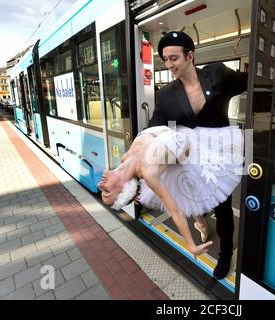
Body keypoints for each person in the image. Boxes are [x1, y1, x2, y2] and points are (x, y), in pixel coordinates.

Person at [149, 31, 248, 279]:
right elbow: (154, 130)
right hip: (189, 163)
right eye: (165, 60)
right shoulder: (165, 95)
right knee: (192, 204)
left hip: (220, 161)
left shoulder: (217, 74)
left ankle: (225, 256)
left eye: (174, 58)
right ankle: (201, 223)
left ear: (190, 56)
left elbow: (249, 81)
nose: (169, 65)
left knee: (224, 212)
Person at [98, 125, 243, 259]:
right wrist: (191, 246)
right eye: (106, 191)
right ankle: (203, 226)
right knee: (187, 198)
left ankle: (202, 225)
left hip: (186, 145)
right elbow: (176, 212)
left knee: (187, 197)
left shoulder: (126, 157)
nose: (100, 185)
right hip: (192, 160)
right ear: (123, 189)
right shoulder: (149, 173)